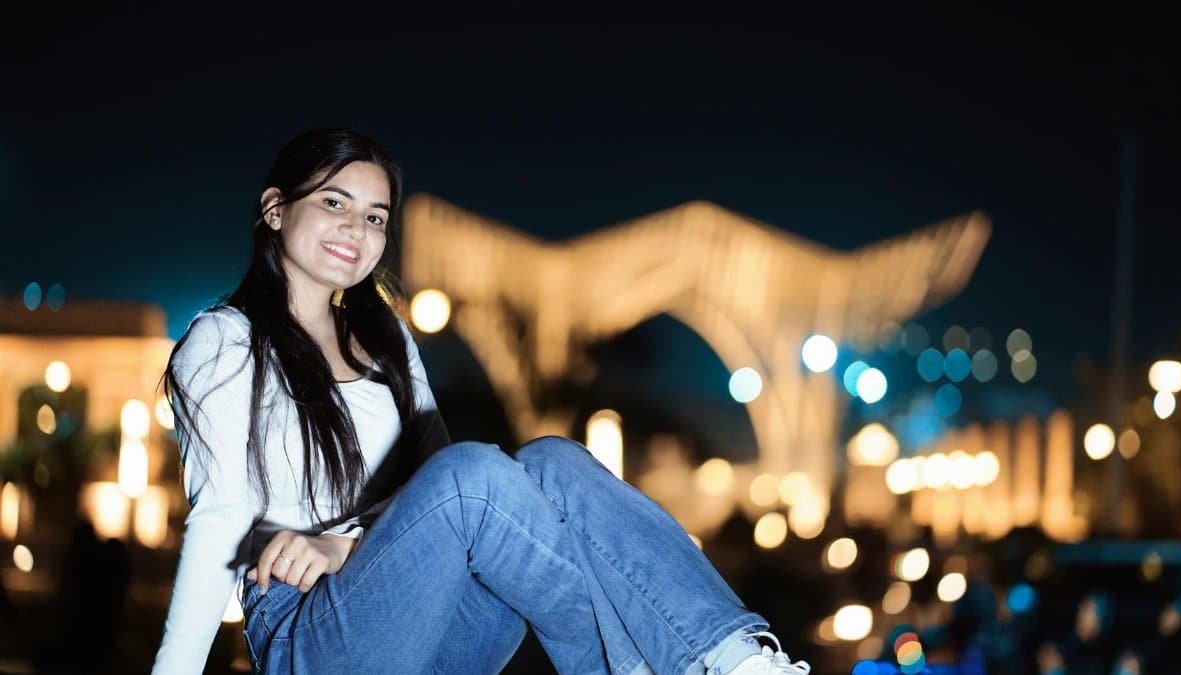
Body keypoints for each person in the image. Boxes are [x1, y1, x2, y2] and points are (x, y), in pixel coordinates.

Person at [150, 127, 813, 674]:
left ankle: (741, 660)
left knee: (553, 460)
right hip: (311, 632)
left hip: (439, 625)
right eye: (334, 203)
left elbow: (442, 503)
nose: (356, 227)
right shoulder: (224, 341)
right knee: (477, 474)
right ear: (275, 209)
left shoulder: (387, 340)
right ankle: (641, 662)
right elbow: (218, 523)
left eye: (375, 216)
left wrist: (348, 548)